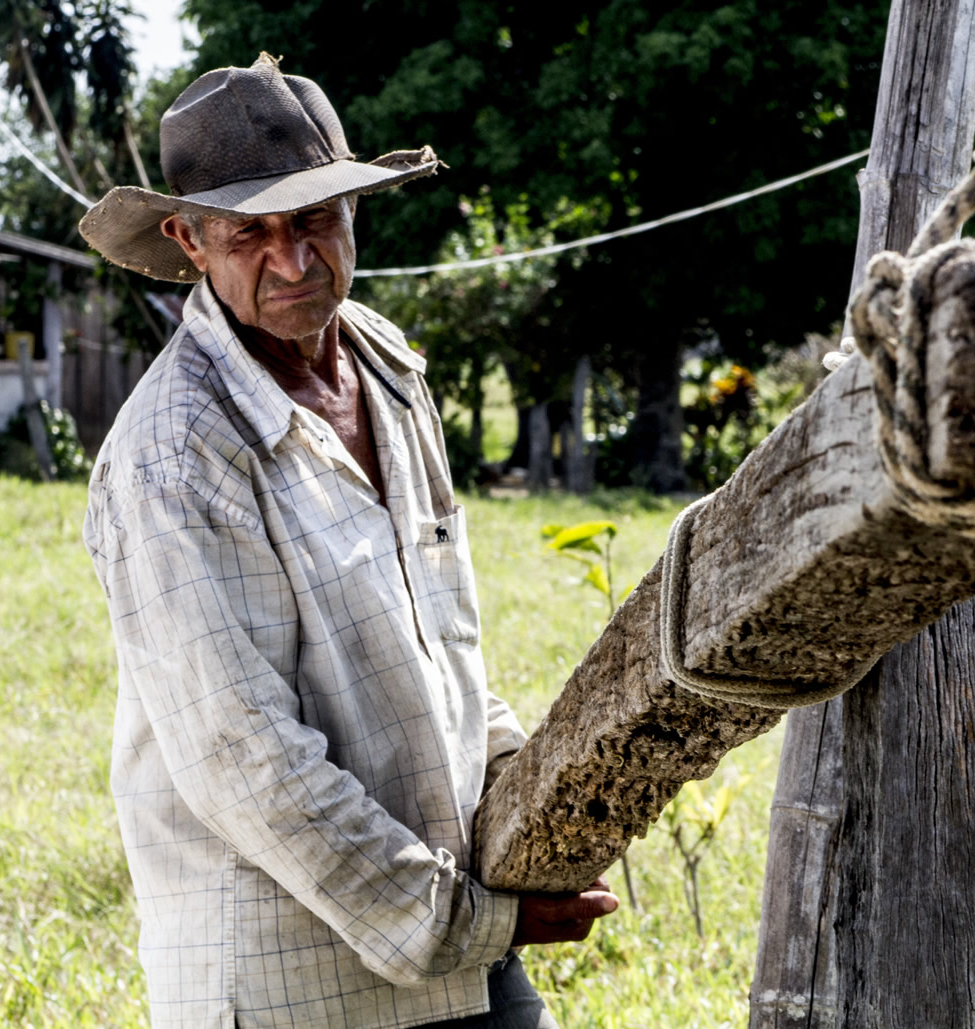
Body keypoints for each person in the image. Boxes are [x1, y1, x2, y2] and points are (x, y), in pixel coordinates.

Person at [77, 53, 617, 1029]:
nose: (293, 261)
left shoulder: (386, 362)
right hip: (295, 981)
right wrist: (467, 918)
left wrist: (543, 797)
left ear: (354, 212)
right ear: (189, 241)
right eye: (253, 233)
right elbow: (250, 764)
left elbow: (445, 645)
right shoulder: (169, 456)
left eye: (315, 220)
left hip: (463, 935)